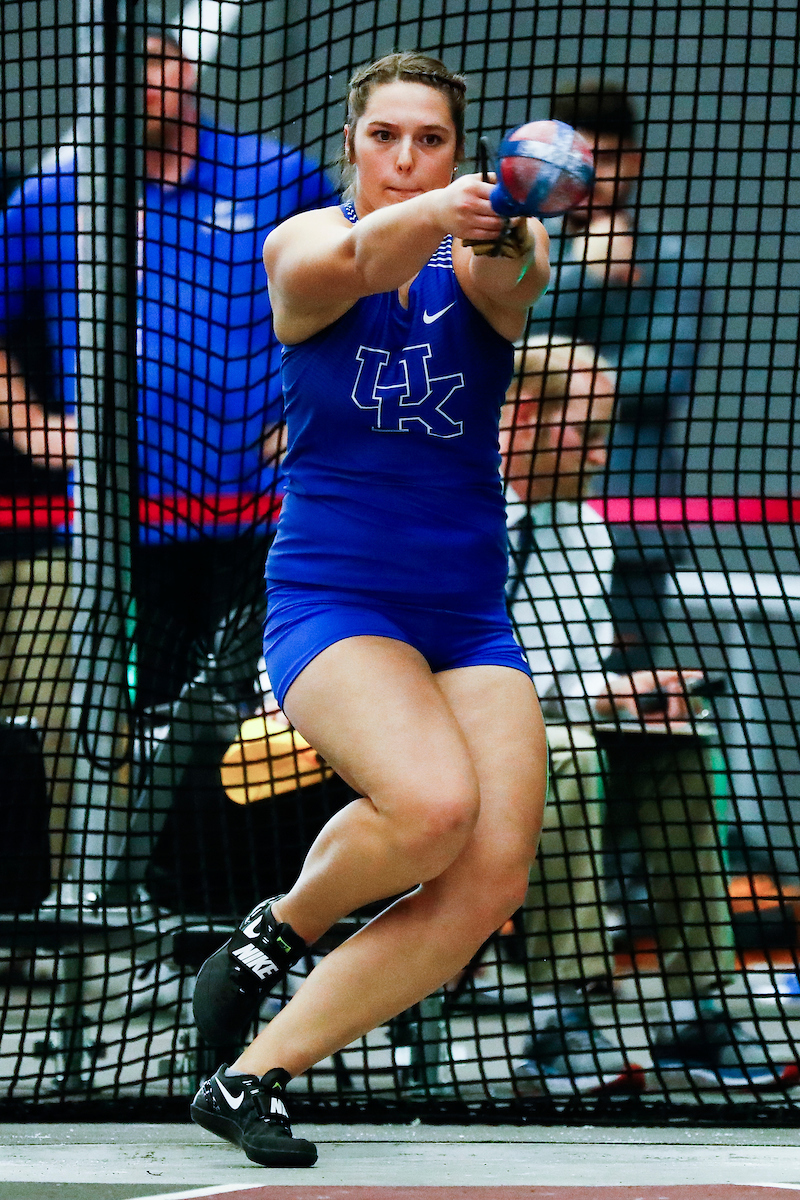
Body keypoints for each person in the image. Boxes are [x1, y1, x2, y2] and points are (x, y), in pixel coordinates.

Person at [190, 51, 551, 1167]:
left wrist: (497, 226)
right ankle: (280, 925)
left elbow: (506, 276)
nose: (404, 158)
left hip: (465, 613)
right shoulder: (296, 241)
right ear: (352, 143)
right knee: (431, 807)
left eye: (430, 139)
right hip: (331, 597)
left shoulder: (494, 249)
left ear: (458, 147)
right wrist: (444, 207)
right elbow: (347, 261)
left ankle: (253, 1075)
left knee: (489, 874)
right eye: (384, 137)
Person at [0, 30, 334, 720]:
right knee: (151, 731)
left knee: (279, 729)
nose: (139, 84)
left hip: (272, 517)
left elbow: (354, 303)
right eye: (118, 73)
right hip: (125, 528)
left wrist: (315, 419)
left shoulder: (277, 175)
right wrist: (33, 429)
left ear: (184, 69)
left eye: (153, 63)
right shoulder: (56, 195)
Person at [501, 337, 799, 1094]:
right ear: (527, 417)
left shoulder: (585, 533)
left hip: (541, 747)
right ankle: (559, 1016)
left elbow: (562, 677)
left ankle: (696, 1002)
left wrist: (626, 692)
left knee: (680, 745)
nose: (603, 459)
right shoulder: (451, 520)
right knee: (567, 752)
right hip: (440, 763)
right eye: (590, 435)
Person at [528, 80, 704, 670]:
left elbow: (661, 376)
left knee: (621, 707)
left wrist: (558, 379)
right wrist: (584, 273)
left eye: (603, 158)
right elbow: (505, 355)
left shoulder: (675, 263)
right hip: (527, 511)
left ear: (634, 161)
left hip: (635, 522)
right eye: (575, 158)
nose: (588, 174)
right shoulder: (516, 255)